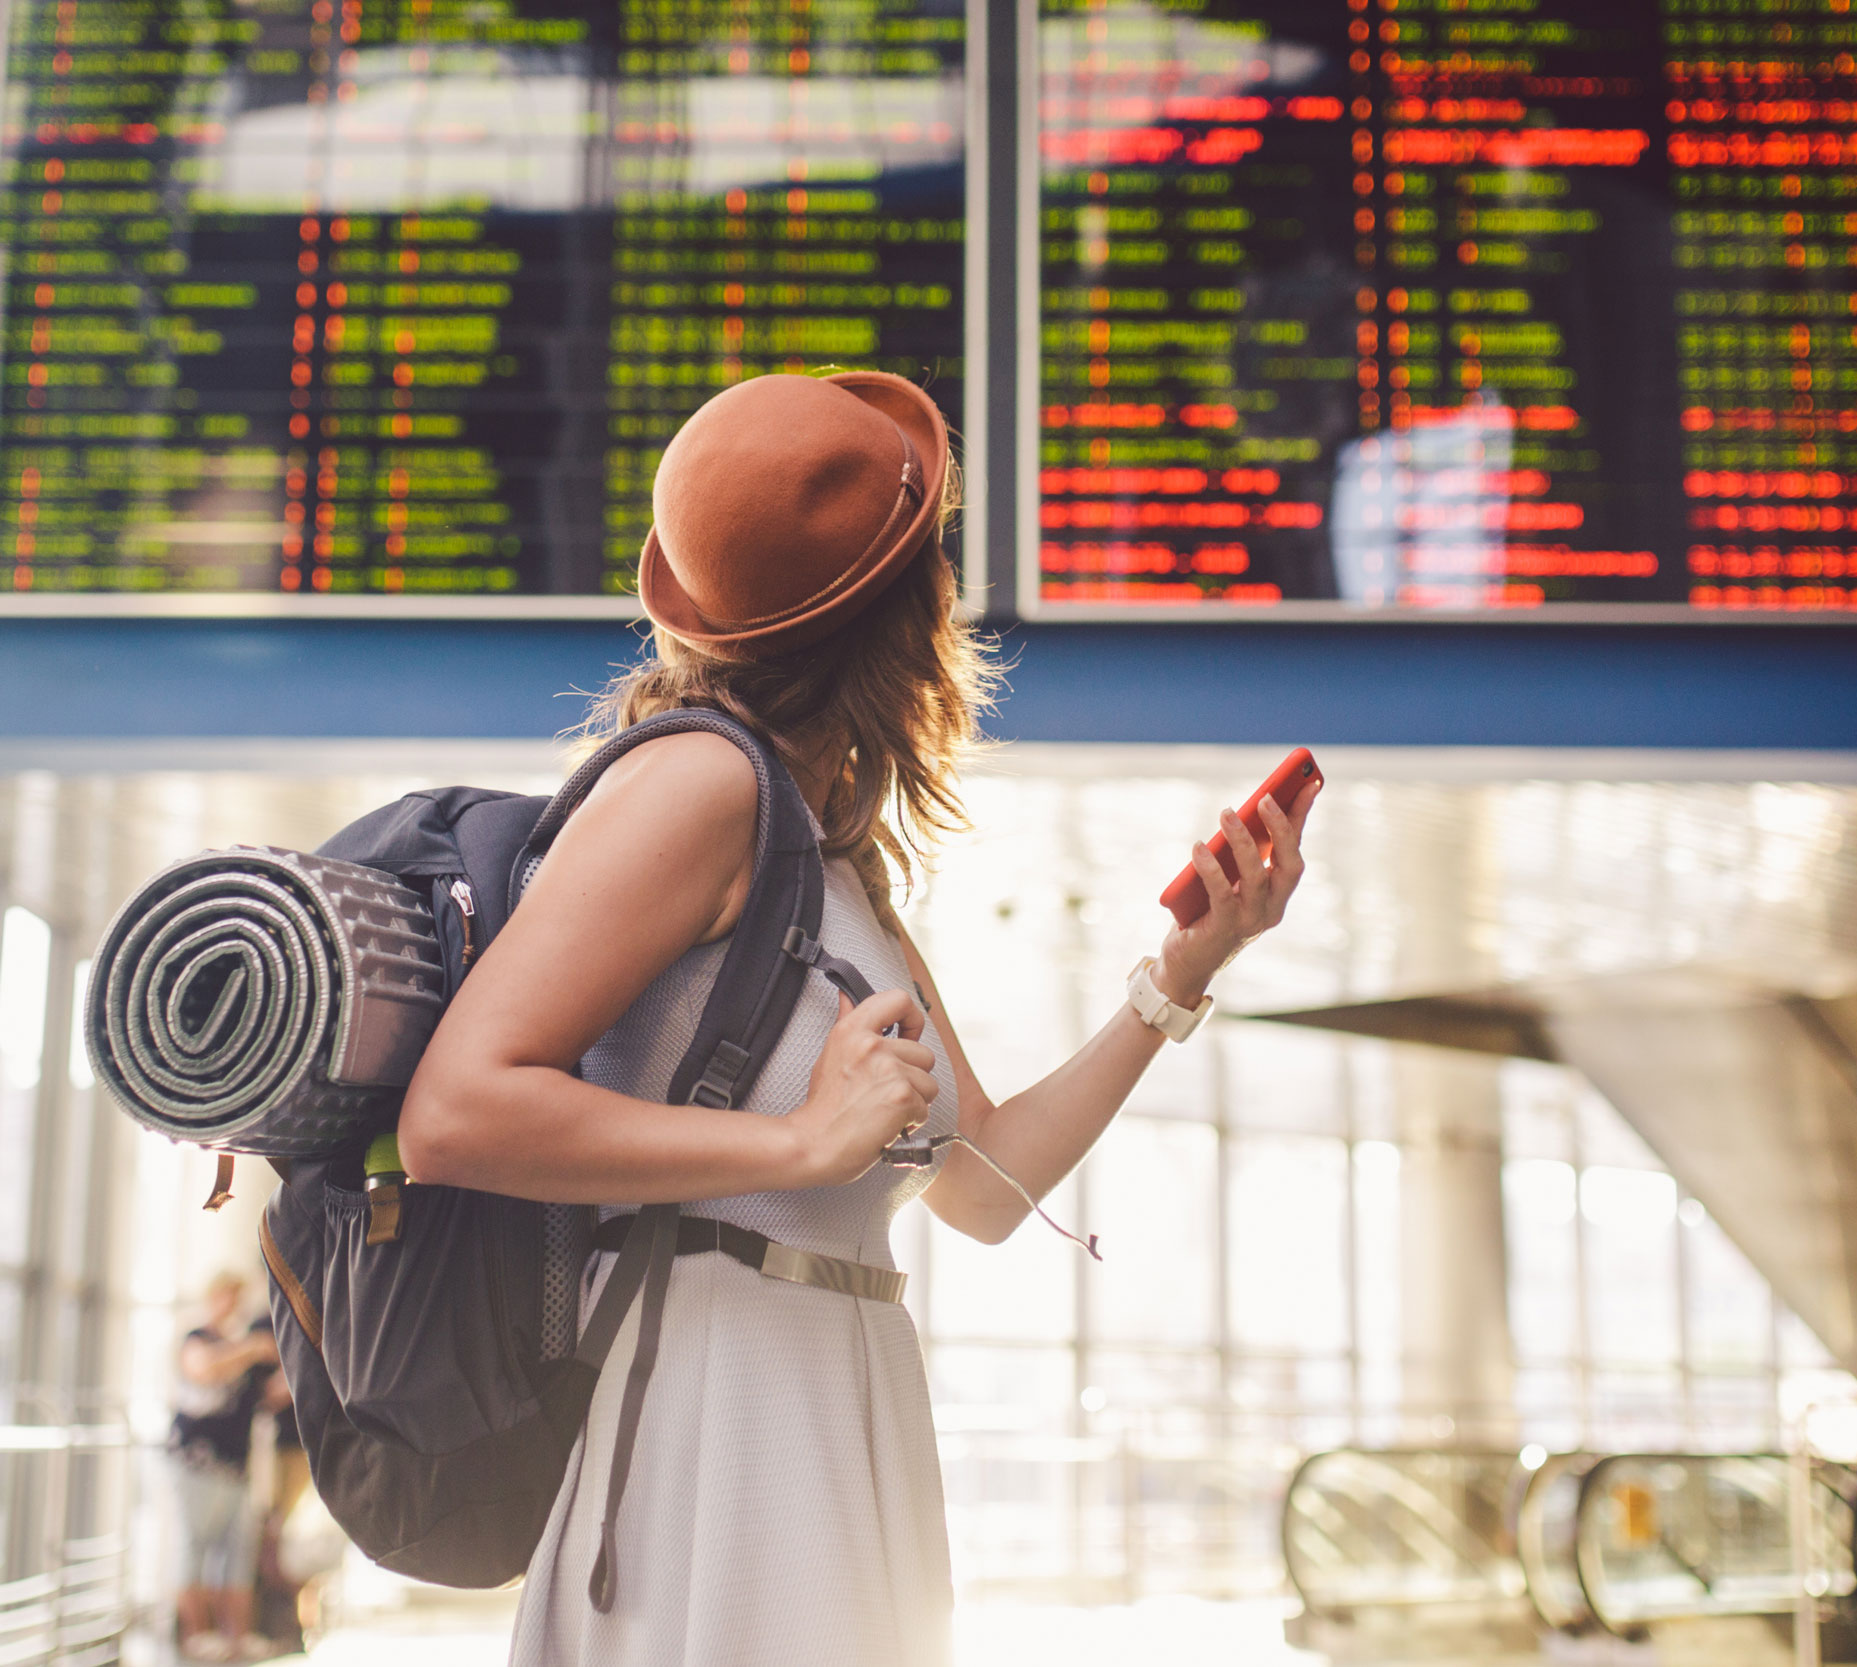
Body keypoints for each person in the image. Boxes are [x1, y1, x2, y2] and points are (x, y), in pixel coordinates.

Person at [398, 370, 1321, 1666]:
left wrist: (1181, 971)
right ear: (912, 606)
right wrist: (793, 1147)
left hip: (833, 1393)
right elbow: (457, 1111)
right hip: (717, 1421)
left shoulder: (826, 848)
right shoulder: (698, 787)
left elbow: (985, 1182)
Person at [168, 1271, 278, 1663]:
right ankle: (196, 1635)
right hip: (197, 1465)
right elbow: (204, 1370)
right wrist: (252, 1349)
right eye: (226, 1297)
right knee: (193, 1550)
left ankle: (237, 1637)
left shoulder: (245, 1348)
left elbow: (268, 1397)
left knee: (237, 1555)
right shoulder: (197, 1339)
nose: (232, 1306)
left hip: (238, 1467)